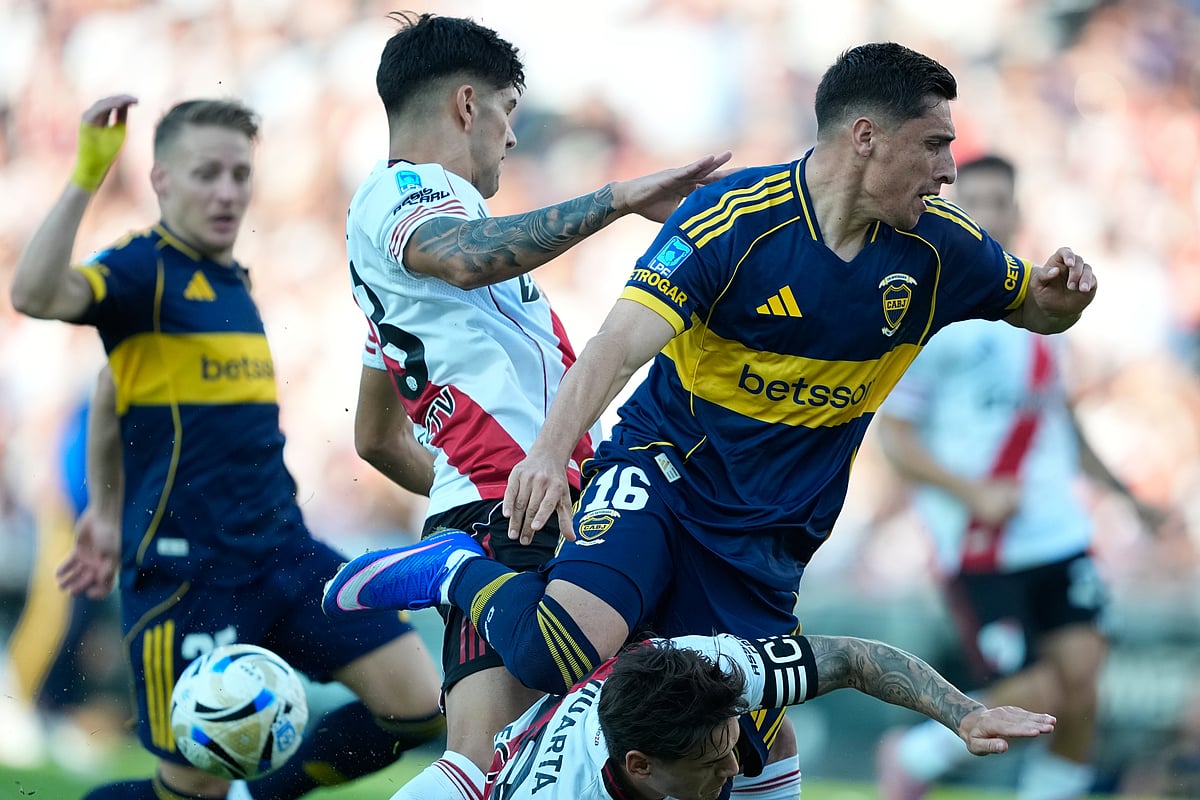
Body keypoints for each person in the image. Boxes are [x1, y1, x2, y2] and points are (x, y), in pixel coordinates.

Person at [324, 40, 1097, 792]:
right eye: (934, 144)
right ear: (867, 137)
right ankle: (457, 573)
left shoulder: (944, 249)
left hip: (765, 534)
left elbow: (1037, 303)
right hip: (657, 475)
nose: (949, 168)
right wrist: (545, 455)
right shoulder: (732, 217)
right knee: (551, 659)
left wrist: (1067, 295)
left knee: (739, 742)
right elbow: (615, 344)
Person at [337, 12, 732, 800]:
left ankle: (449, 564)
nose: (513, 138)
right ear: (465, 104)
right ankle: (452, 569)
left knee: (513, 764)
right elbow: (463, 257)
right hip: (507, 515)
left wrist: (465, 494)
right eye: (510, 111)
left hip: (508, 508)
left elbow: (375, 436)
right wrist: (617, 198)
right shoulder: (408, 193)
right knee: (504, 766)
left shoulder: (399, 282)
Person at [9, 95, 445, 800]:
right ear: (162, 180)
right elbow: (32, 293)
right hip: (191, 577)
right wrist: (88, 172)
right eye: (206, 172)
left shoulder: (231, 276)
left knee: (419, 705)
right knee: (191, 790)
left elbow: (110, 387)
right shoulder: (139, 269)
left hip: (284, 550)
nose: (226, 191)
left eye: (239, 174)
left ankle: (257, 797)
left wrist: (103, 503)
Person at [869, 153, 1146, 800]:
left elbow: (1064, 426)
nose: (992, 212)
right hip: (979, 538)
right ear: (956, 209)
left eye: (1003, 200)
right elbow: (896, 437)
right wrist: (973, 493)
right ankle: (914, 753)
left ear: (1018, 210)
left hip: (1057, 530)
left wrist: (1130, 499)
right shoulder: (932, 313)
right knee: (1039, 690)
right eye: (979, 200)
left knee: (1082, 681)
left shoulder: (1047, 312)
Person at [487, 630, 1056, 800]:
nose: (735, 768)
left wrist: (965, 716)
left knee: (769, 722)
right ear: (640, 766)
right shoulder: (559, 794)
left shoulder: (713, 664)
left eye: (729, 745)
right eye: (713, 761)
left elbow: (854, 660)